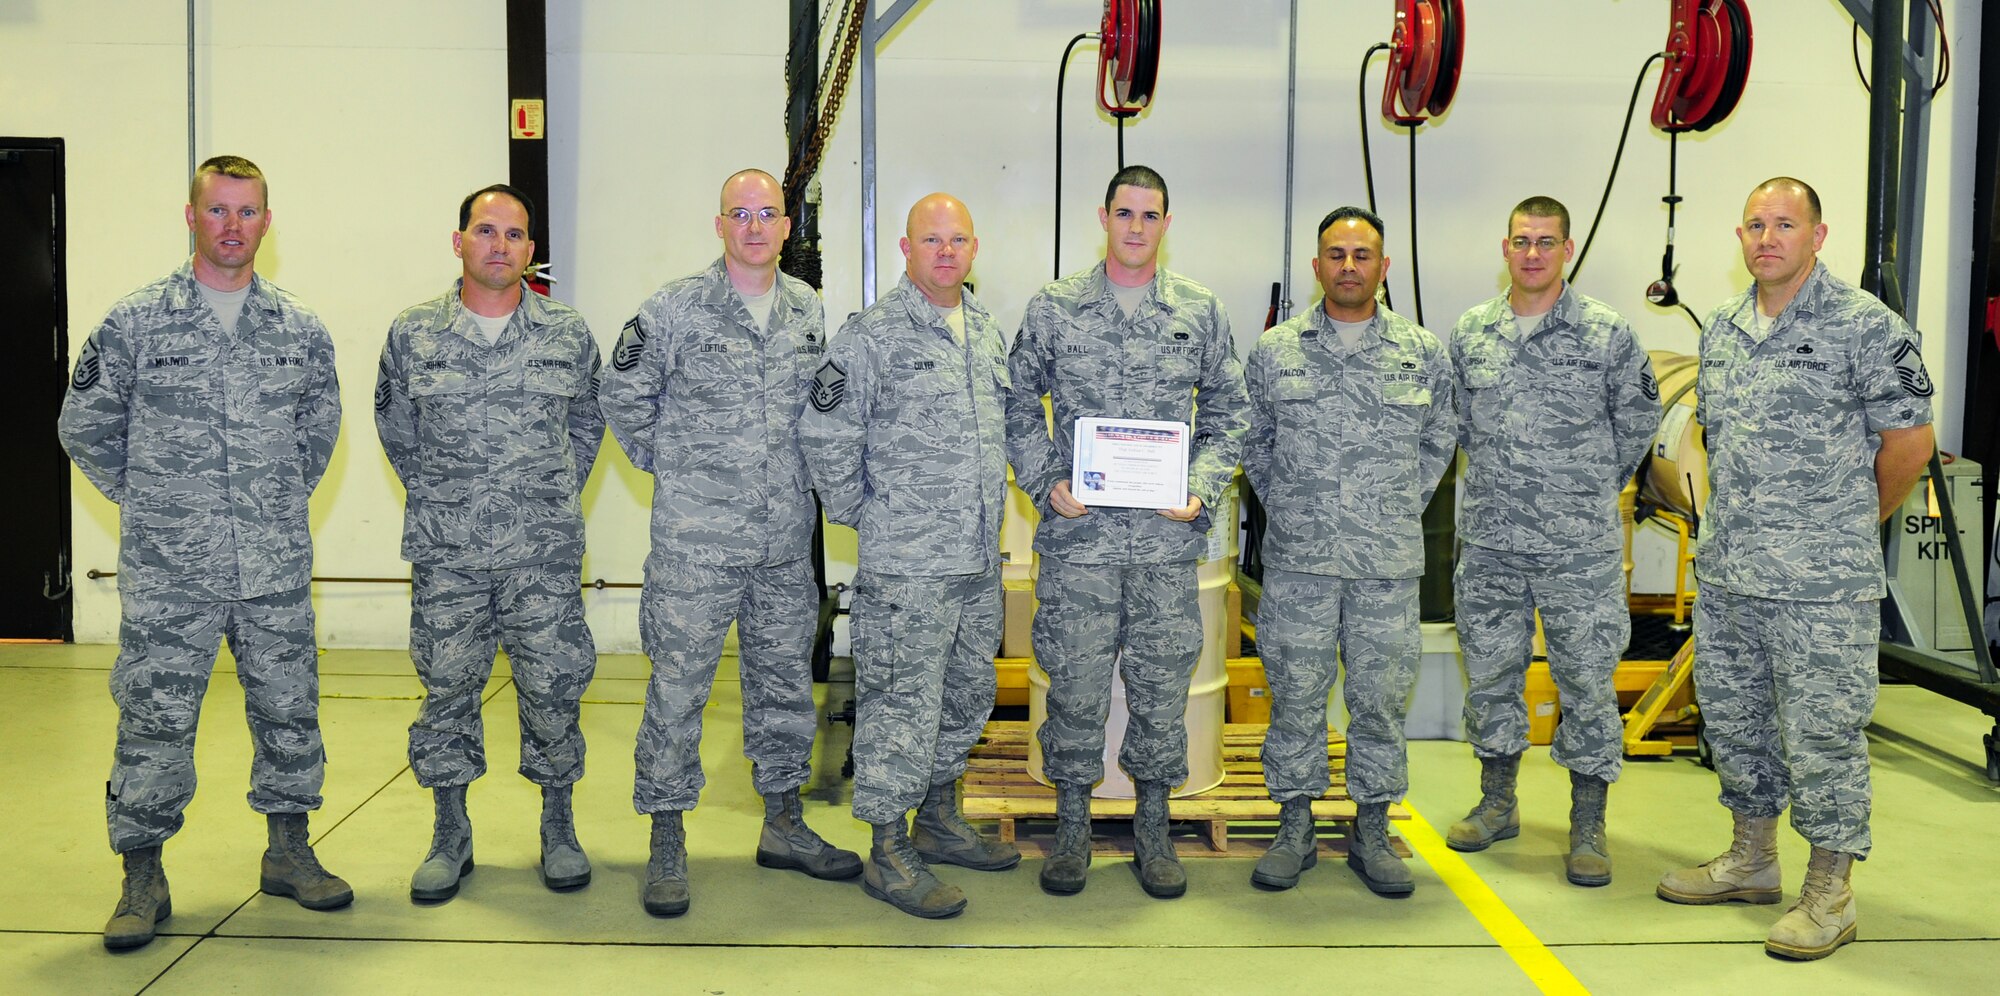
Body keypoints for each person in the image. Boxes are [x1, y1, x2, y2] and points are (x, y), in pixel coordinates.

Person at [58, 155, 349, 950]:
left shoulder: (298, 329)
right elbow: (84, 425)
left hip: (272, 568)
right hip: (169, 573)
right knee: (154, 720)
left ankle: (289, 851)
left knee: (289, 713)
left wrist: (269, 505)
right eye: (218, 210)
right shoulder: (135, 322)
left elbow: (318, 435)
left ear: (266, 221)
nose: (233, 225)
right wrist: (158, 506)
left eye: (248, 211)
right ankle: (142, 876)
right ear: (191, 217)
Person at [1657, 177, 1934, 961]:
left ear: (1818, 235)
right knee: (1738, 725)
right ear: (1740, 237)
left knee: (1822, 738)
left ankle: (1831, 895)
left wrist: (1841, 529)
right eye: (1754, 225)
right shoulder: (1725, 326)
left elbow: (1908, 446)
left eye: (1785, 224)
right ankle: (1750, 860)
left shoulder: (1867, 327)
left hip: (1822, 584)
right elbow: (1714, 436)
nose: (1767, 238)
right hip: (1732, 574)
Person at [599, 168, 861, 917]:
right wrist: (673, 465)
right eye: (739, 214)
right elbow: (621, 392)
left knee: (783, 688)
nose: (753, 227)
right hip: (696, 548)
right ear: (719, 226)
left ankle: (783, 823)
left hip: (783, 545)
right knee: (678, 692)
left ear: (786, 228)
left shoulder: (807, 308)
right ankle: (667, 838)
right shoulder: (675, 308)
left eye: (767, 215)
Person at [1003, 165, 1250, 899]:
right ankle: (1073, 823)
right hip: (1080, 544)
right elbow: (1017, 400)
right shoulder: (1055, 308)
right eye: (1125, 212)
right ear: (1103, 217)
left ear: (1166, 224)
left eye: (1150, 215)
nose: (1136, 227)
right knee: (1074, 687)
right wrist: (1046, 479)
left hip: (1164, 545)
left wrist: (1200, 488)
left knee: (1160, 687)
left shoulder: (1198, 311)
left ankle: (1152, 825)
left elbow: (1231, 413)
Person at [374, 184, 606, 903]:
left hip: (542, 554)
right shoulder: (414, 333)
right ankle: (450, 833)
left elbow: (587, 429)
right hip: (449, 556)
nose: (499, 245)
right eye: (485, 230)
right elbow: (397, 432)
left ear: (530, 251)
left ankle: (559, 828)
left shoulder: (567, 333)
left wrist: (540, 501)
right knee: (446, 690)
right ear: (459, 242)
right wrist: (455, 503)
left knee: (554, 688)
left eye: (514, 234)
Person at [800, 193, 1018, 919]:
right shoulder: (872, 336)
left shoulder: (984, 330)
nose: (946, 252)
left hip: (976, 563)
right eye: (932, 240)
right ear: (905, 248)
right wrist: (871, 516)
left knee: (963, 697)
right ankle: (889, 850)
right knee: (900, 708)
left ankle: (940, 817)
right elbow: (826, 436)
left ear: (974, 248)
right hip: (907, 567)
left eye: (958, 240)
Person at [1445, 196, 1660, 887]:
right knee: (1491, 676)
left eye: (1546, 242)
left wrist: (1583, 490)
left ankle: (1588, 821)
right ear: (1503, 248)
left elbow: (1637, 424)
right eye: (1520, 241)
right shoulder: (1471, 332)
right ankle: (1498, 800)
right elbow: (1458, 428)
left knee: (1588, 683)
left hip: (1579, 549)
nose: (1532, 253)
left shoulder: (1606, 334)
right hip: (1492, 544)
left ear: (1567, 250)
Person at [1241, 207, 1455, 896]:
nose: (1350, 267)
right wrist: (1298, 508)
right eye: (1336, 254)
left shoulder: (1421, 352)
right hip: (1300, 563)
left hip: (1385, 568)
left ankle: (1370, 827)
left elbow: (1438, 444)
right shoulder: (1276, 352)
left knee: (1379, 702)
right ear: (1317, 266)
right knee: (1296, 698)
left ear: (1384, 266)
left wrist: (1389, 509)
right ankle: (1295, 826)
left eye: (1363, 255)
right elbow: (1254, 444)